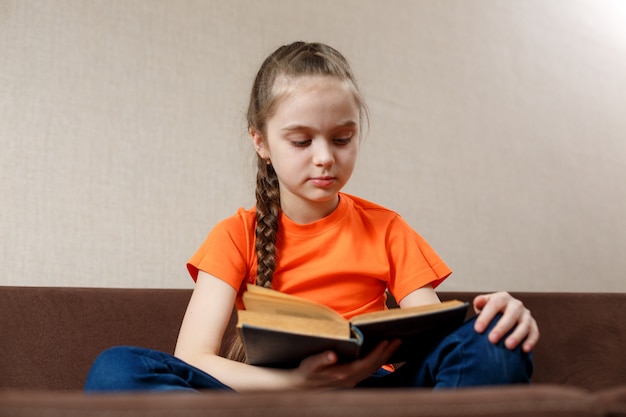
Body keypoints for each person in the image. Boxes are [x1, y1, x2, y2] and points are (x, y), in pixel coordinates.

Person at [85, 41, 538, 392]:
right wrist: (295, 383)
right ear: (261, 142)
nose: (325, 158)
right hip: (272, 396)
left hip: (371, 391)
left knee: (495, 342)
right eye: (301, 142)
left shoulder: (387, 228)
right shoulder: (234, 235)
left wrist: (495, 320)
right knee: (118, 369)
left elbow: (432, 339)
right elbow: (195, 358)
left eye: (341, 138)